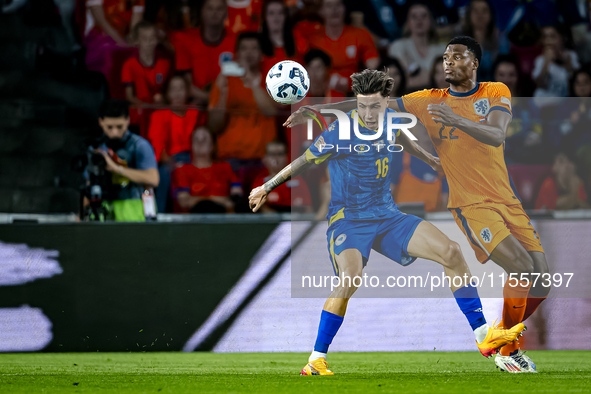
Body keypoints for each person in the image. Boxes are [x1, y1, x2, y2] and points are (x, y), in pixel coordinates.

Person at [284, 36, 552, 373]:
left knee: (542, 280)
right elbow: (370, 105)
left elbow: (497, 134)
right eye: (445, 57)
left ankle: (500, 340)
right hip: (471, 202)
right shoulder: (426, 100)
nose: (448, 62)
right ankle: (503, 345)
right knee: (519, 267)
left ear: (474, 63)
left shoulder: (496, 91)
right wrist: (316, 109)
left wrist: (456, 121)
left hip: (506, 198)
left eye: (457, 56)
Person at [208, 32, 277, 167]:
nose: (249, 53)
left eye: (253, 48)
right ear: (237, 54)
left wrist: (251, 81)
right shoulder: (225, 80)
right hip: (230, 157)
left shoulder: (272, 79)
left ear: (261, 54)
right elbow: (214, 125)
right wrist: (223, 94)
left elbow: (271, 111)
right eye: (244, 48)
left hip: (263, 159)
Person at [148, 75, 207, 213]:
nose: (177, 93)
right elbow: (158, 147)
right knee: (163, 174)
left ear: (187, 92)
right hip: (170, 161)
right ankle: (160, 214)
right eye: (173, 89)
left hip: (194, 159)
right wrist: (172, 163)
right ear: (167, 93)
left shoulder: (195, 111)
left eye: (181, 88)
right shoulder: (159, 115)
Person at [93, 99, 159, 221]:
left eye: (119, 127)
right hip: (104, 210)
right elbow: (89, 183)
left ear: (127, 120)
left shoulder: (139, 146)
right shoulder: (97, 148)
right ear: (100, 122)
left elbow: (153, 178)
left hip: (134, 213)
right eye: (109, 127)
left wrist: (116, 168)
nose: (114, 132)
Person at [308, 0, 380, 97]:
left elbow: (374, 66)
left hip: (354, 93)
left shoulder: (360, 34)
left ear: (344, 8)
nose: (334, 10)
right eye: (329, 6)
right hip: (322, 94)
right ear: (321, 10)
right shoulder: (314, 40)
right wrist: (330, 80)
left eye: (338, 4)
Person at [173, 0, 236, 105]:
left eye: (219, 8)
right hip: (195, 102)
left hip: (226, 103)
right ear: (201, 11)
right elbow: (187, 86)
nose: (214, 12)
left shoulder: (235, 42)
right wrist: (211, 98)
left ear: (226, 12)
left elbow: (236, 83)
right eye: (209, 8)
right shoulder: (185, 40)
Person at [172, 127, 242, 213]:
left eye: (204, 138)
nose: (200, 142)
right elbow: (184, 202)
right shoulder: (183, 170)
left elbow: (236, 199)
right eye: (196, 139)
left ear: (212, 145)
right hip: (195, 217)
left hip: (224, 218)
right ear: (191, 145)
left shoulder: (225, 167)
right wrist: (220, 200)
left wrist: (197, 199)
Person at [121, 21, 171, 131]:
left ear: (157, 40)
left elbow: (168, 91)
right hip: (138, 115)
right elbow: (129, 96)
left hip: (160, 110)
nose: (149, 42)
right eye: (144, 38)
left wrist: (162, 101)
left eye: (152, 38)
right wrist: (146, 106)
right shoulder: (129, 65)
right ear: (137, 41)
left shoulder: (165, 63)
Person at [387, 2, 446, 90]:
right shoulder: (398, 46)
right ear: (408, 22)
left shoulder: (442, 48)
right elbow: (398, 83)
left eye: (424, 16)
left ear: (431, 20)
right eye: (414, 16)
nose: (419, 20)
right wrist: (434, 79)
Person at [84, 0, 144, 84]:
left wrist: (131, 40)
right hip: (102, 34)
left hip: (125, 36)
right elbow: (100, 20)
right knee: (109, 55)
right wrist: (120, 41)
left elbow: (136, 20)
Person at [251, 141, 312, 213]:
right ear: (265, 159)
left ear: (286, 157)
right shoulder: (259, 182)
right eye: (272, 154)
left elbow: (308, 208)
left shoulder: (297, 180)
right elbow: (257, 209)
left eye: (280, 154)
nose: (276, 158)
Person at [532, 25, 580, 102]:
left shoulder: (570, 56)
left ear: (561, 38)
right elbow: (540, 84)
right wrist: (546, 62)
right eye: (545, 37)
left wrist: (567, 65)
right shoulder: (540, 60)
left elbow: (579, 81)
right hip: (544, 103)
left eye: (552, 36)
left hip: (564, 102)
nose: (549, 41)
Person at [260, 0, 307, 74]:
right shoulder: (257, 45)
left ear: (285, 16)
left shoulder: (298, 41)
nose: (276, 18)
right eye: (271, 13)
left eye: (280, 13)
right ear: (265, 17)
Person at [460, 0, 499, 82]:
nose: (480, 15)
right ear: (469, 14)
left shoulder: (499, 41)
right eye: (476, 11)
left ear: (491, 14)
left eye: (484, 11)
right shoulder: (459, 42)